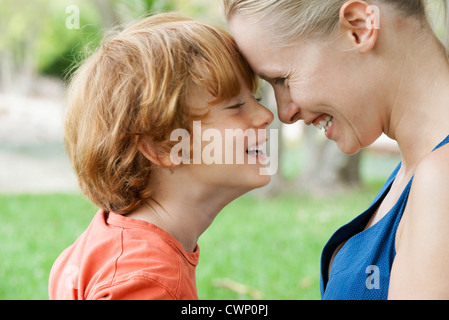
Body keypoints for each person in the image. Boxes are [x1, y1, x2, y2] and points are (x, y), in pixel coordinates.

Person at [222, 0, 449, 299]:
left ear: (359, 27)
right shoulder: (417, 171)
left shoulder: (441, 180)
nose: (285, 113)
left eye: (282, 79)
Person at [48, 13, 273, 300]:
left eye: (256, 99)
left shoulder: (102, 244)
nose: (264, 116)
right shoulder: (145, 281)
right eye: (236, 106)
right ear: (161, 147)